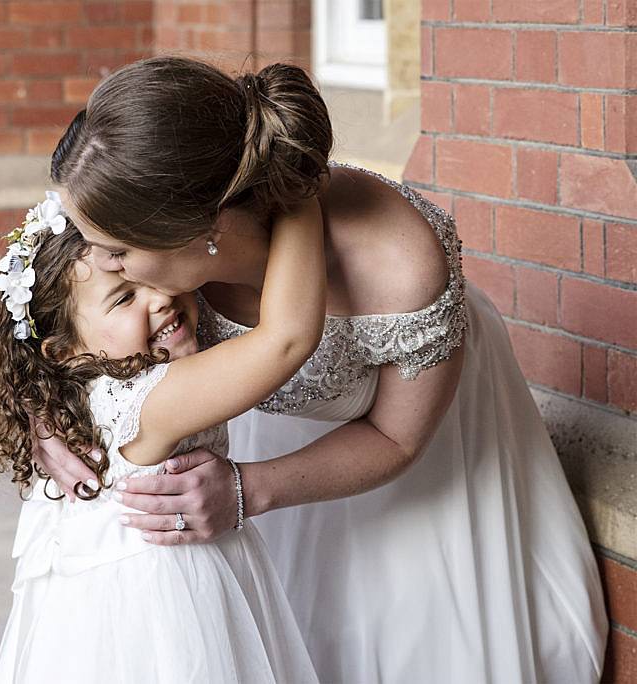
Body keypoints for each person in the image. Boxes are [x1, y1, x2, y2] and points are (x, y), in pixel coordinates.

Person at [35, 56, 609, 683]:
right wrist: (51, 406)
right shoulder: (140, 227)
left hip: (411, 455)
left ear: (199, 228)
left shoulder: (399, 261)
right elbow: (48, 302)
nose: (104, 265)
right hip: (250, 426)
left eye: (118, 253)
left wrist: (247, 491)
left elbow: (396, 437)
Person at [0, 189, 326, 682]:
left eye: (148, 273)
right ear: (63, 352)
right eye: (124, 297)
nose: (159, 295)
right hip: (166, 604)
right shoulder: (147, 399)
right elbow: (286, 340)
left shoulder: (76, 392)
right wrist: (299, 192)